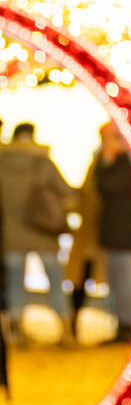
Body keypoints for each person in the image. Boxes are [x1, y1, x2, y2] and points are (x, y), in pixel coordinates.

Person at [67, 122, 131, 343]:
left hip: (124, 234)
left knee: (125, 282)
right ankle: (126, 325)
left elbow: (107, 187)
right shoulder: (122, 163)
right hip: (118, 233)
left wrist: (105, 162)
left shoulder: (124, 164)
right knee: (119, 281)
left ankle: (130, 326)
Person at [0, 123, 77, 346]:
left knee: (15, 284)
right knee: (55, 282)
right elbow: (67, 193)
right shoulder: (42, 163)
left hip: (12, 235)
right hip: (44, 233)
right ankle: (66, 332)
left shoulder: (2, 162)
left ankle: (17, 334)